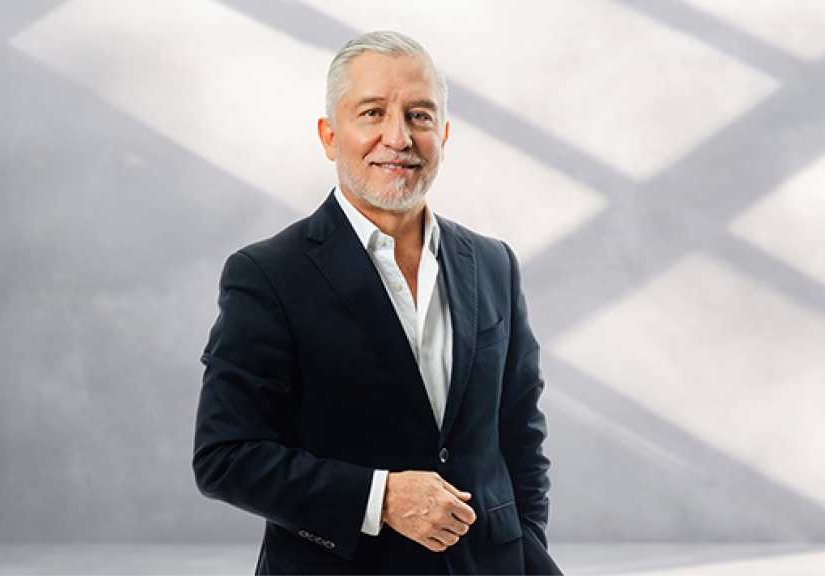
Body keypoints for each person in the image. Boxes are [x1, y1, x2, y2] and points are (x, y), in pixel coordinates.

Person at [193, 30, 561, 575]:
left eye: (419, 115)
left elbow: (520, 435)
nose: (398, 137)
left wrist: (526, 548)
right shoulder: (268, 275)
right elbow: (225, 457)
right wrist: (381, 498)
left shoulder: (493, 264)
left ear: (443, 134)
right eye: (372, 113)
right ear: (329, 136)